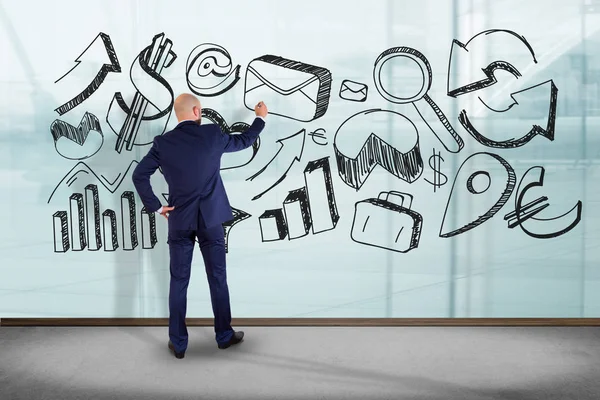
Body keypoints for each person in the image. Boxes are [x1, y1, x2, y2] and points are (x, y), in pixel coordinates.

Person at [132, 93, 268, 359]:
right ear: (197, 111)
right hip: (210, 221)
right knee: (217, 278)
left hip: (179, 220)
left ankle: (179, 344)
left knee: (178, 281)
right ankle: (224, 336)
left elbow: (139, 175)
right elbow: (244, 141)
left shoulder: (163, 143)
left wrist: (157, 207)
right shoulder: (212, 135)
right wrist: (259, 119)